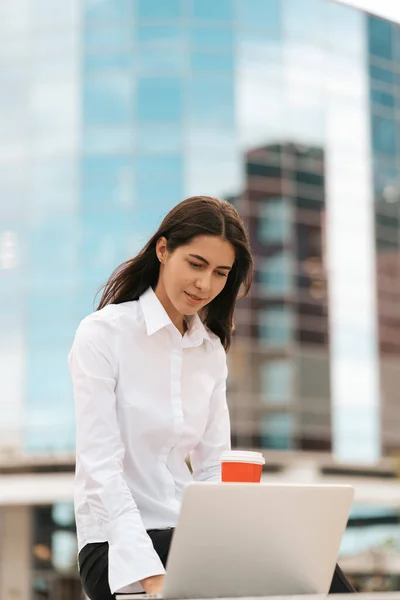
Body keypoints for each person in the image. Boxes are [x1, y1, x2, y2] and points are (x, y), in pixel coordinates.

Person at [69, 196, 355, 600]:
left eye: (221, 273)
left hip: (192, 540)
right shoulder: (102, 335)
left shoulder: (209, 352)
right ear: (164, 250)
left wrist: (237, 533)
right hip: (116, 549)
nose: (205, 284)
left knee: (311, 563)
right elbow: (100, 467)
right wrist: (152, 574)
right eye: (196, 264)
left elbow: (214, 470)